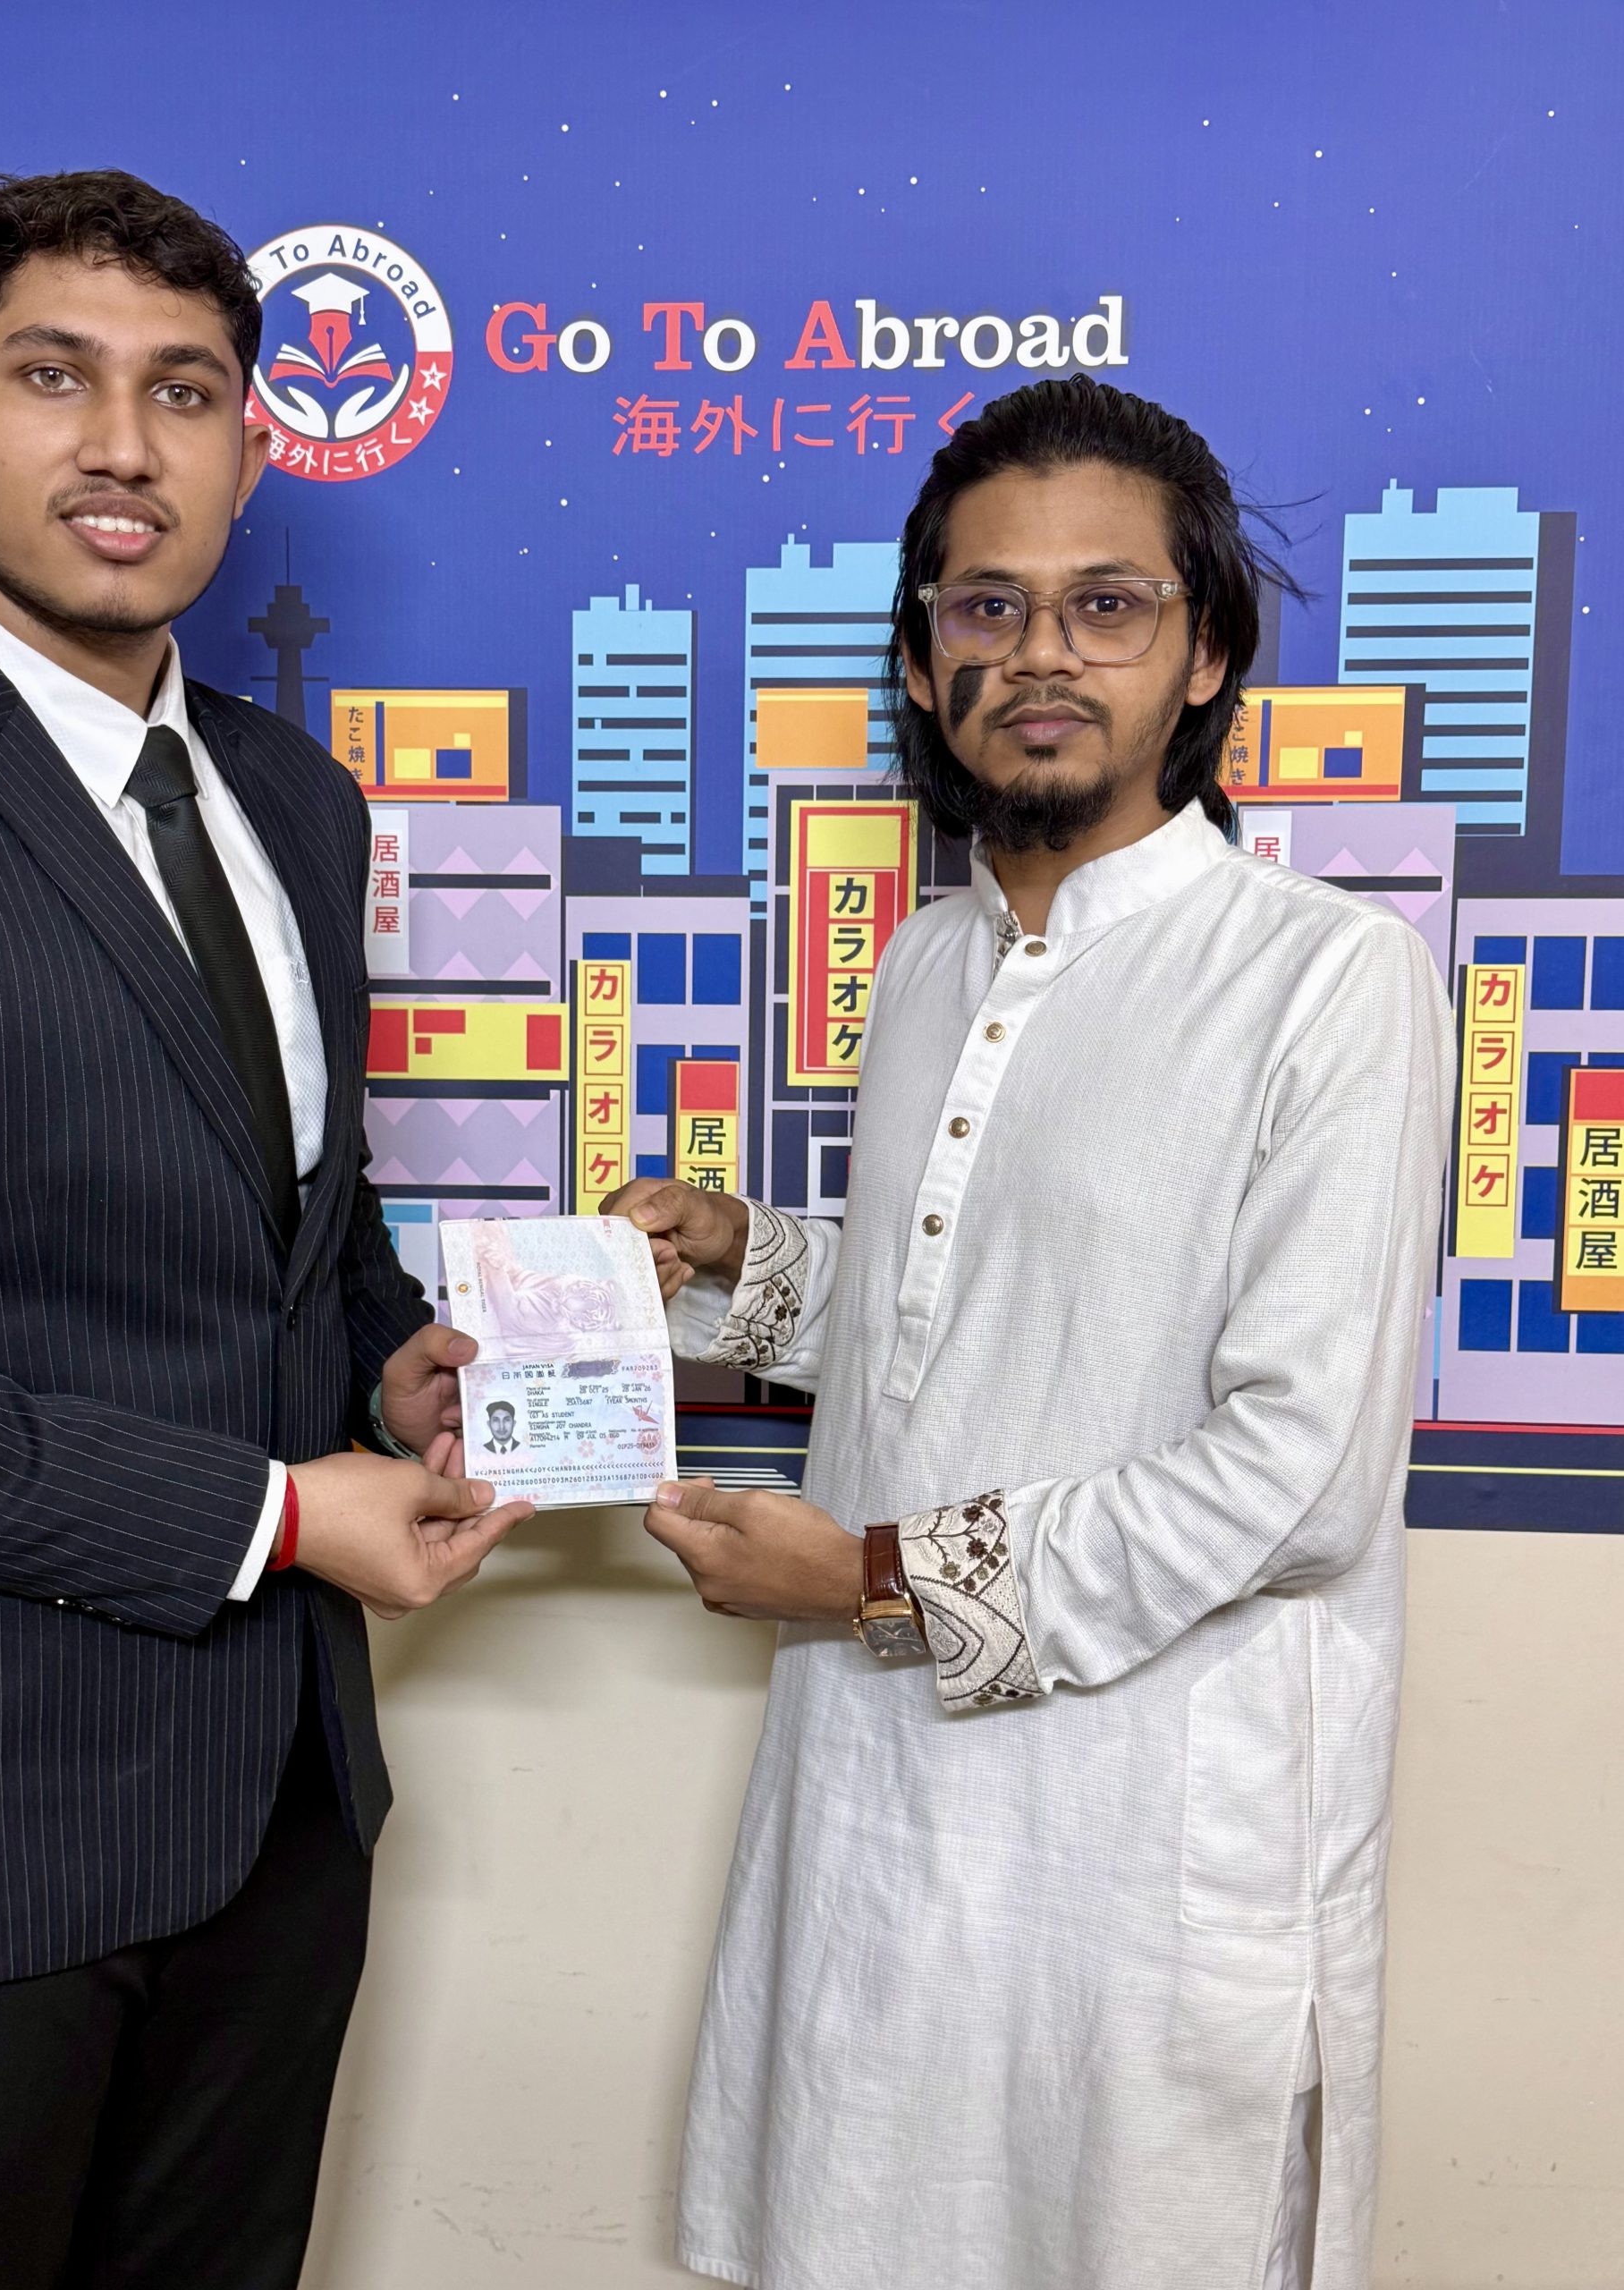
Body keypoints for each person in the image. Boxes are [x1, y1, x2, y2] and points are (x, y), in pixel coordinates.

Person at [0, 170, 530, 2290]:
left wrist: (388, 1357)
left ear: (251, 444)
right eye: (51, 377)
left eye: (183, 391)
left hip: (269, 1810)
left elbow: (288, 1212)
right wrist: (278, 1511)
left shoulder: (293, 796)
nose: (122, 445)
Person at [607, 377, 1454, 2290]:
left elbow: (1295, 1479)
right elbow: (975, 1309)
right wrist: (735, 1257)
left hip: (1144, 1858)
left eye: (1105, 603)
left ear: (1203, 652)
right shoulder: (931, 956)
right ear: (923, 665)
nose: (1040, 653)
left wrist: (869, 1580)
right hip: (879, 1811)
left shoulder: (1328, 980)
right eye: (986, 606)